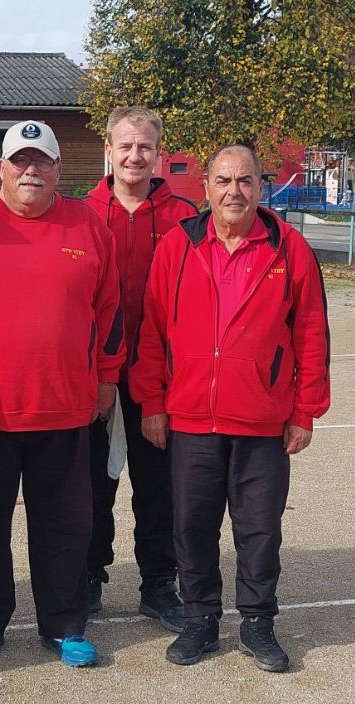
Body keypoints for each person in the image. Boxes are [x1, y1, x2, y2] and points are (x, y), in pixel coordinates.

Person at [131, 144, 330, 672]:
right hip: (191, 417)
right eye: (223, 180)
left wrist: (305, 409)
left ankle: (258, 622)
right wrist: (153, 401)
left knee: (260, 528)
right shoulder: (178, 246)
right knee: (192, 526)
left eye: (245, 181)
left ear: (260, 187)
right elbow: (152, 331)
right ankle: (200, 619)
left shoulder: (289, 248)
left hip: (262, 420)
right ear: (206, 188)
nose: (233, 191)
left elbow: (312, 333)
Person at [0, 120, 123, 669]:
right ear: (1, 168)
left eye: (41, 161)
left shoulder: (88, 226)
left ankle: (64, 624)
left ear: (59, 170)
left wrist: (106, 378)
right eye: (20, 160)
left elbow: (109, 311)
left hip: (66, 408)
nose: (30, 170)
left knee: (65, 526)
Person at [82, 107, 197, 630]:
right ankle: (89, 575)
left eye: (145, 147)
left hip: (162, 377)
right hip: (94, 376)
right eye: (125, 146)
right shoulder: (80, 213)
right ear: (108, 150)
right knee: (91, 484)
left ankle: (158, 582)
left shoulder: (187, 217)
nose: (134, 156)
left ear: (158, 154)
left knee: (158, 485)